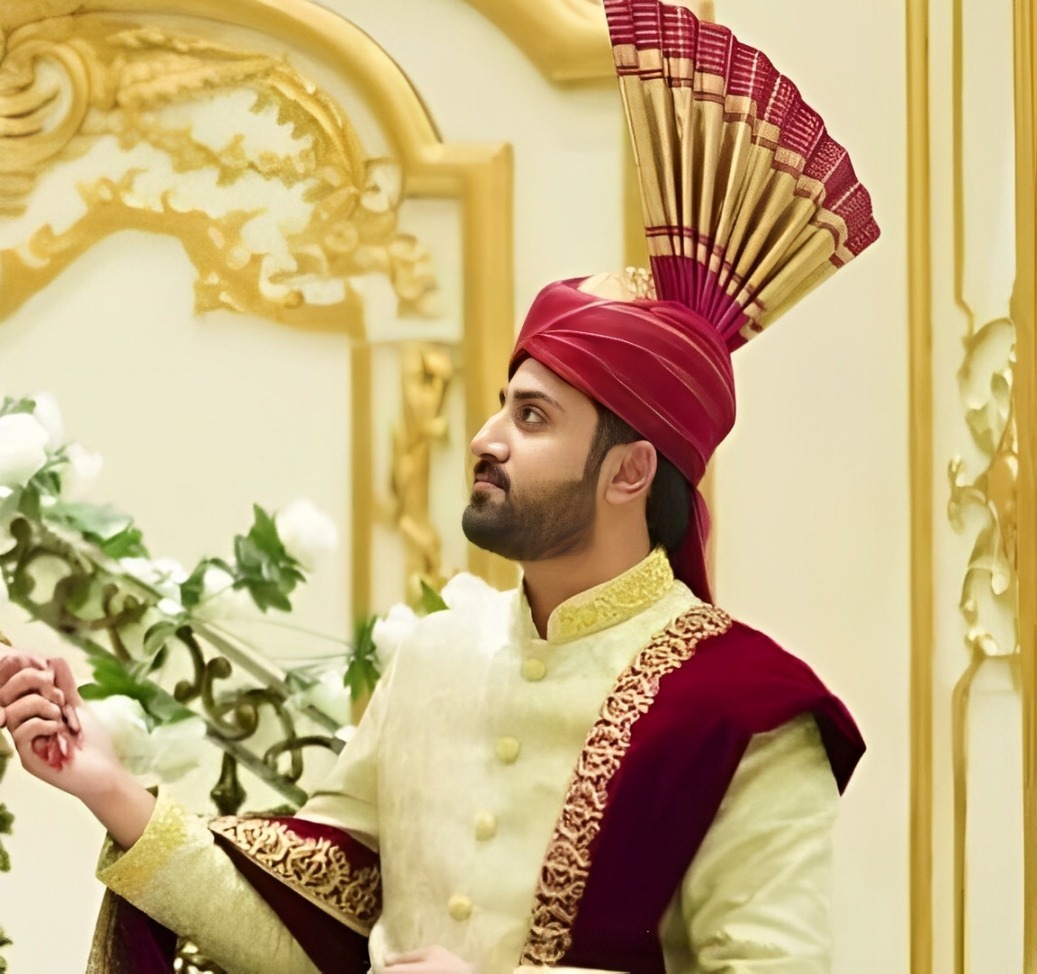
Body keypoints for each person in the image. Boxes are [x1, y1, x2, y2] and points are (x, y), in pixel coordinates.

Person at [0, 2, 880, 972]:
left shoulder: (742, 711)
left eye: (532, 417)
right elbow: (314, 940)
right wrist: (109, 790)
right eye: (503, 403)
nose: (485, 436)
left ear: (630, 468)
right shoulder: (431, 658)